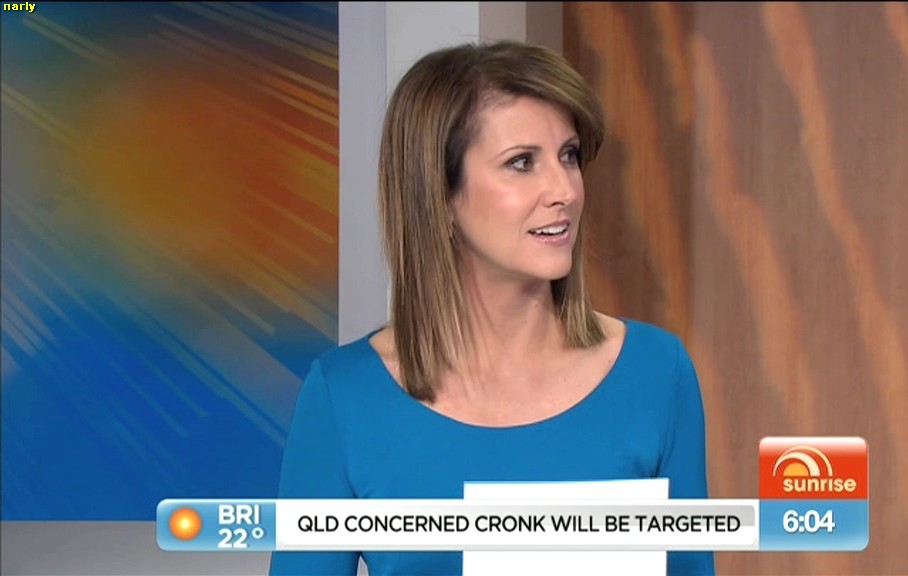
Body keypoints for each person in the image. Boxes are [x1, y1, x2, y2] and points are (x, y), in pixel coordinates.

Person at [269, 40, 714, 576]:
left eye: (569, 156)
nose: (565, 190)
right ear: (440, 194)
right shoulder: (343, 397)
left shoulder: (656, 374)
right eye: (522, 163)